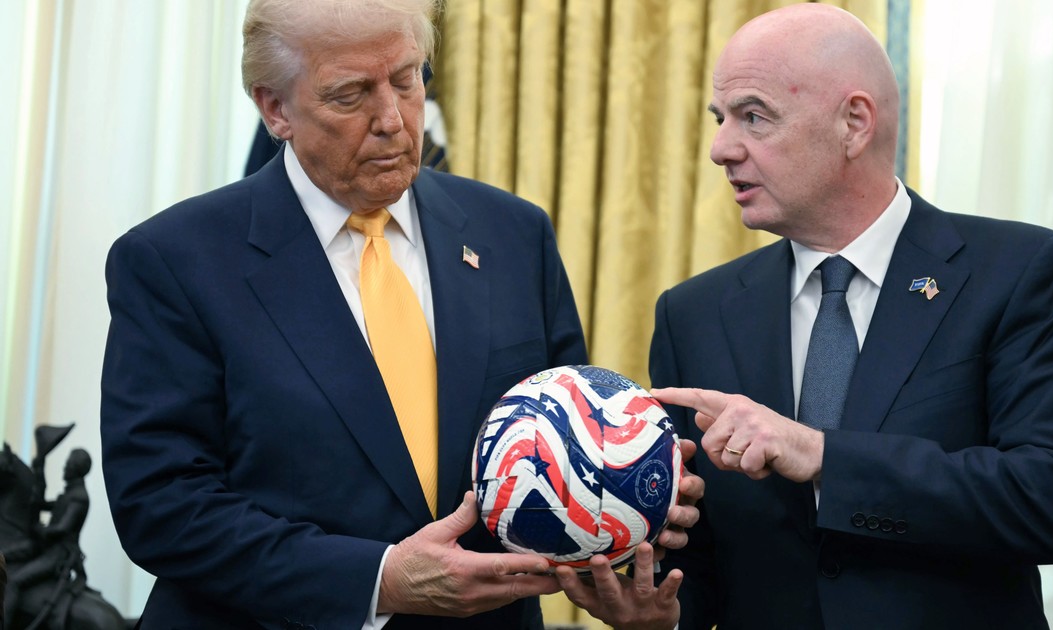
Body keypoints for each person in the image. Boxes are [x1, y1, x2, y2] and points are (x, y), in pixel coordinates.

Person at [100, 0, 697, 628]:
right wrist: (377, 581)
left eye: (407, 79)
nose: (391, 119)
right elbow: (161, 504)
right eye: (350, 94)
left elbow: (568, 445)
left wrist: (634, 504)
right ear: (276, 109)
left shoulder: (513, 233)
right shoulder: (175, 260)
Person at [648, 4, 1053, 629]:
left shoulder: (1015, 272)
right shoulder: (692, 314)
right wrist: (655, 612)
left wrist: (823, 456)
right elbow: (694, 561)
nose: (720, 148)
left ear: (854, 123)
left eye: (753, 116)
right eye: (720, 118)